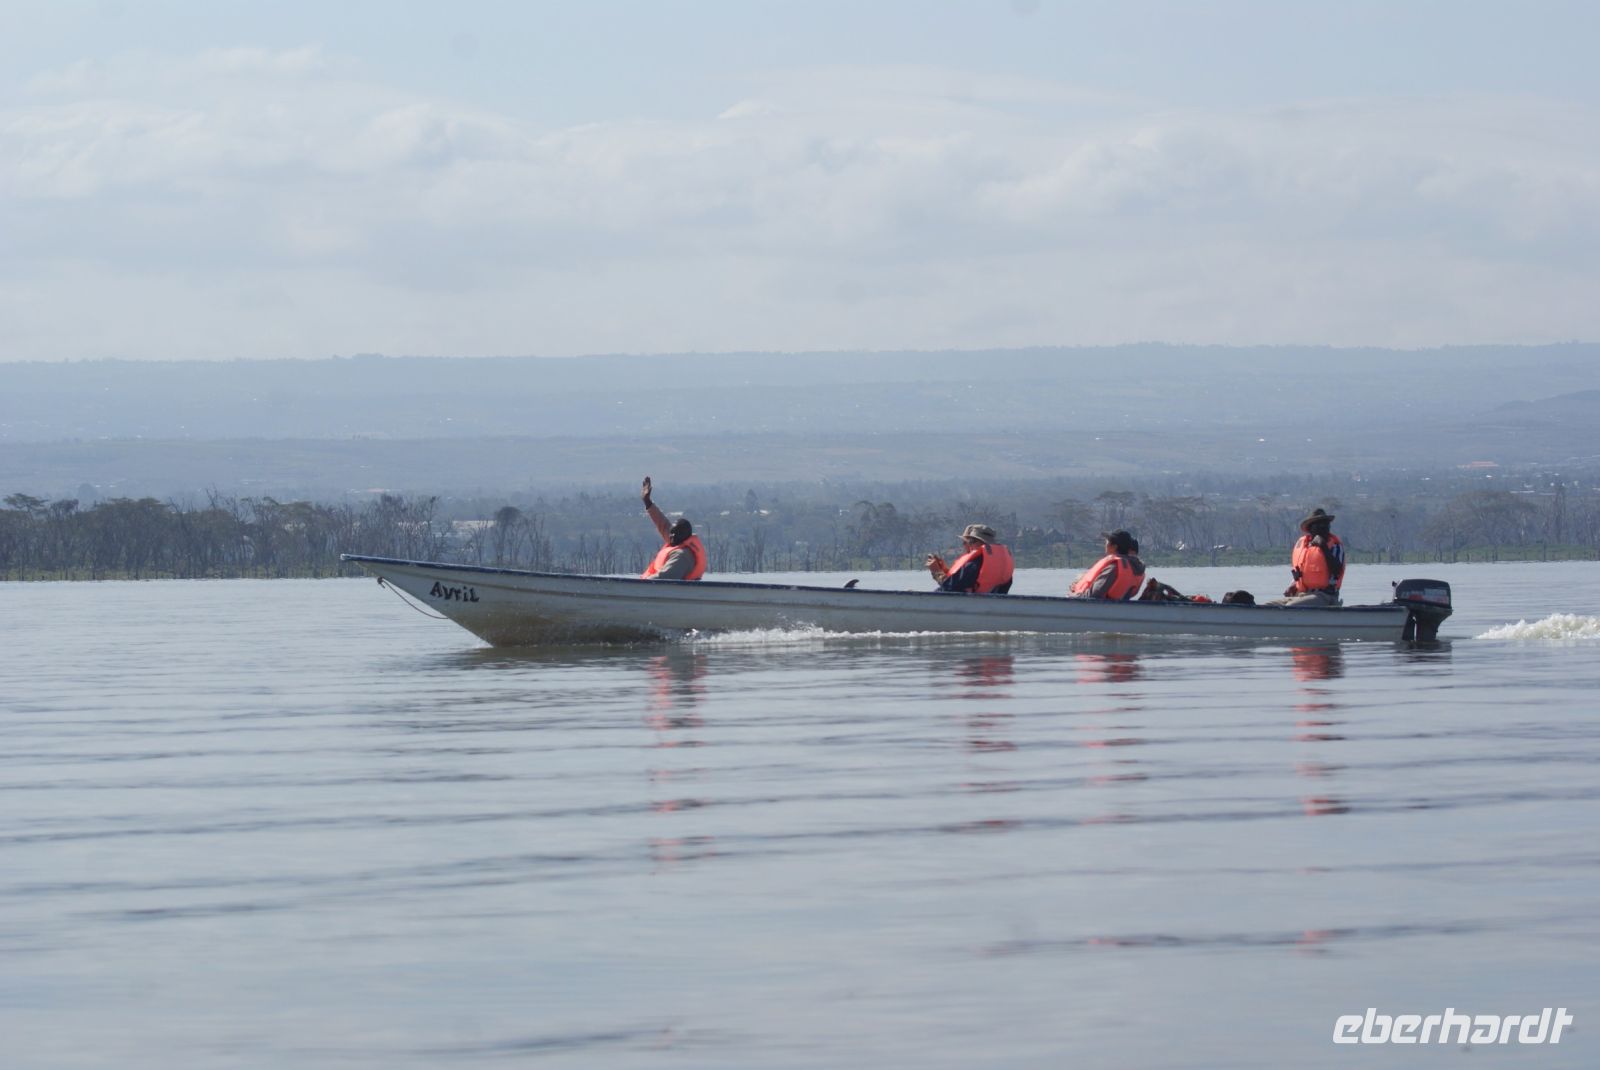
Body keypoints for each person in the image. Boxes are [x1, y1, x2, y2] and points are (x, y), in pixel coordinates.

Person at [1270, 507, 1344, 606]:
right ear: (1310, 529)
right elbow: (1302, 571)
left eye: (1326, 524)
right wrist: (1293, 586)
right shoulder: (1304, 546)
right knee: (1268, 606)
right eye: (1318, 525)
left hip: (1325, 595)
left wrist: (1323, 547)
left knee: (1290, 607)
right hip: (1301, 594)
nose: (1323, 527)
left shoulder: (1335, 546)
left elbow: (1337, 571)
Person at [639, 476, 706, 580]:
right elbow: (663, 524)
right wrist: (647, 502)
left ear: (685, 537)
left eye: (677, 533)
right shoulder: (676, 540)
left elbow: (665, 577)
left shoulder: (682, 555)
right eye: (672, 532)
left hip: (659, 587)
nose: (672, 535)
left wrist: (643, 584)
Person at [925, 523, 1014, 594]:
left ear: (981, 543)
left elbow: (949, 589)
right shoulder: (1001, 565)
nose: (965, 545)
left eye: (969, 541)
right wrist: (944, 571)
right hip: (987, 605)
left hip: (968, 605)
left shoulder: (974, 564)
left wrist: (937, 572)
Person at [1069, 530, 1143, 600]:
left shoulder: (1113, 567)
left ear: (1114, 546)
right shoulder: (1133, 567)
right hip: (1116, 606)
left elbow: (1095, 595)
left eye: (1107, 541)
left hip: (1095, 605)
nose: (1105, 543)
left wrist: (1073, 595)